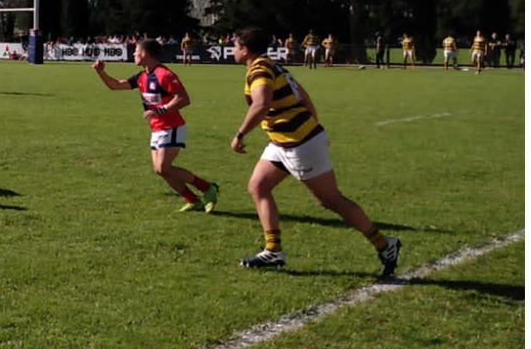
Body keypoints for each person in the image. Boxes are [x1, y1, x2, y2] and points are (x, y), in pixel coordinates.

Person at [229, 28, 401, 275]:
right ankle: (273, 251)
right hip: (283, 143)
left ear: (245, 49)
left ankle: (385, 245)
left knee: (330, 200)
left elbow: (262, 103)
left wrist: (240, 134)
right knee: (258, 186)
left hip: (297, 143)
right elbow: (304, 97)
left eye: (236, 46)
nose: (233, 50)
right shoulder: (272, 66)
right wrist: (316, 126)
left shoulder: (259, 70)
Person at [92, 40, 219, 213]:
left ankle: (208, 188)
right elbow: (116, 86)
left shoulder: (164, 74)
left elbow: (184, 98)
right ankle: (193, 199)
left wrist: (160, 111)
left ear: (146, 54)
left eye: (136, 51)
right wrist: (101, 73)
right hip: (157, 128)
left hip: (172, 127)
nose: (133, 54)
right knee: (161, 171)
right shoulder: (142, 76)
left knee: (163, 167)